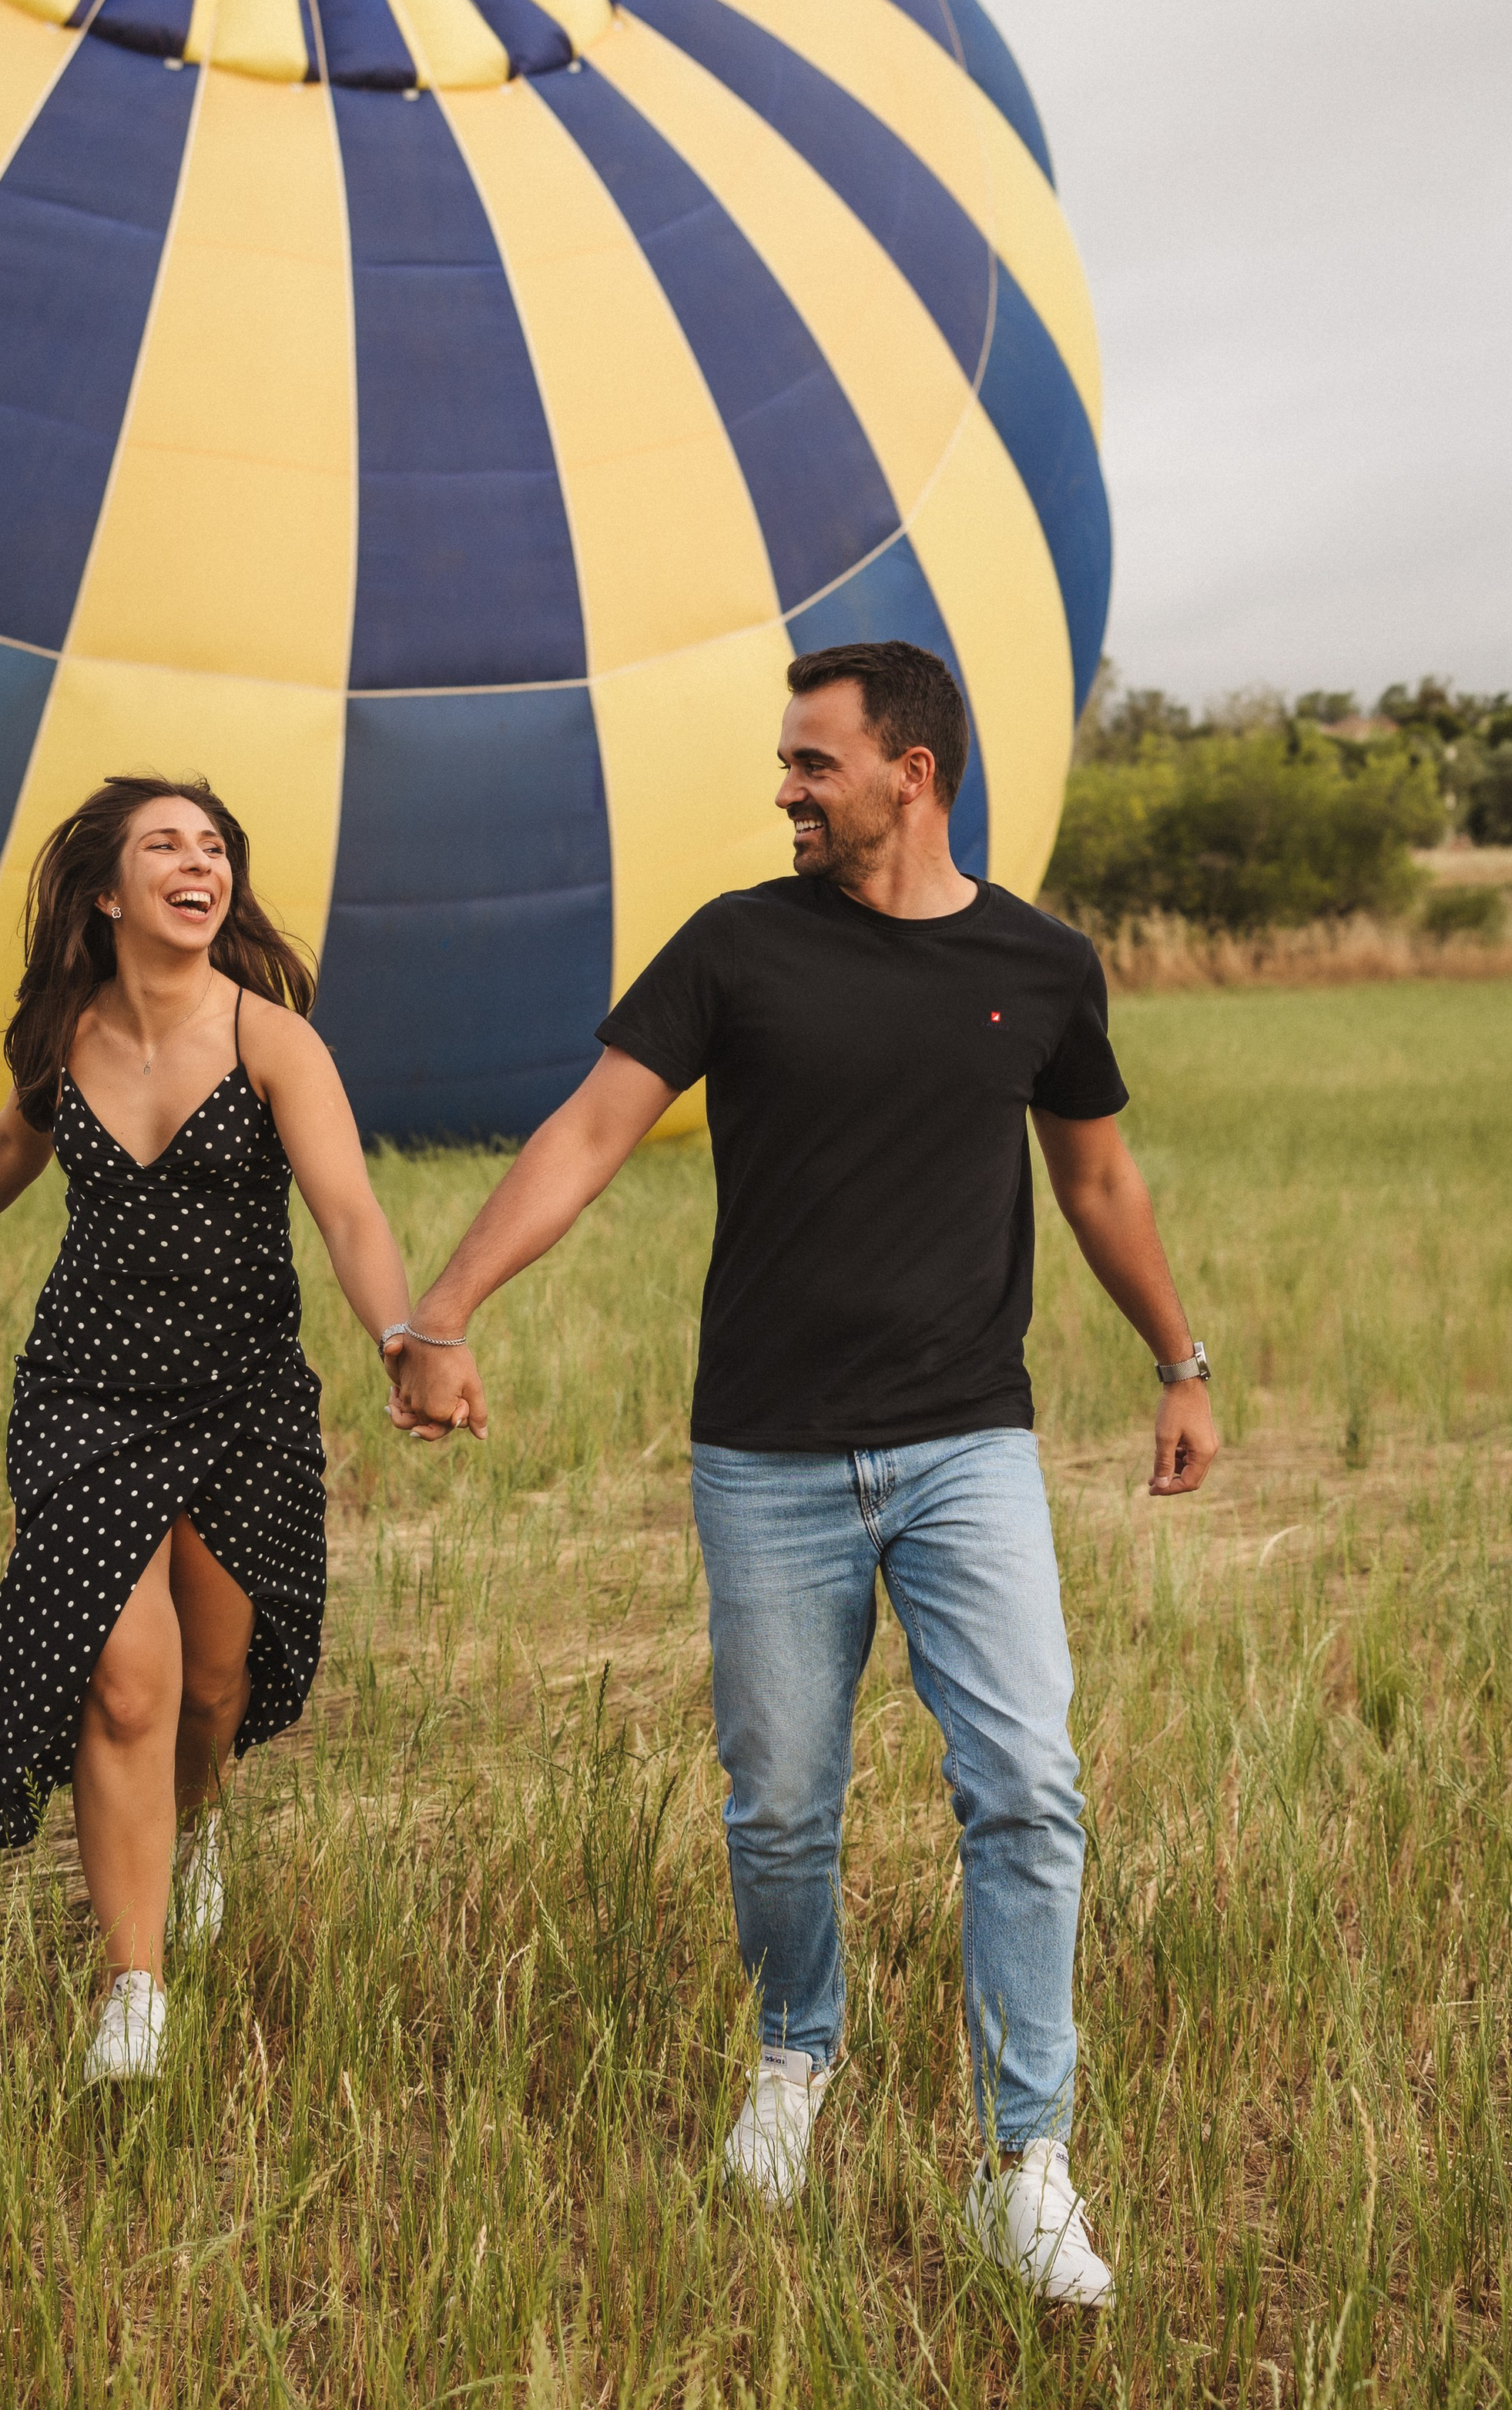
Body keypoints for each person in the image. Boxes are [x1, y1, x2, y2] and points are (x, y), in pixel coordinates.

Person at [385, 640, 1218, 2307]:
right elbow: (588, 1132)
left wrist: (1176, 1362)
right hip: (764, 1455)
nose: (784, 786)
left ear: (907, 772)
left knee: (1027, 1789)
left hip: (966, 1443)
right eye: (785, 761)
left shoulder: (1038, 965)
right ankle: (795, 2060)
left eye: (810, 763)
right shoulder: (735, 946)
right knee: (778, 1807)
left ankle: (1023, 2163)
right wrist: (445, 1305)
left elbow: (1099, 1184)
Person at [0, 775, 436, 2085]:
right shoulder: (66, 1036)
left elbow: (348, 1212)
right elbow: (14, 1143)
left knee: (212, 1690)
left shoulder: (272, 1038)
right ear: (110, 892)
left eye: (216, 845)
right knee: (125, 1683)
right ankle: (135, 1989)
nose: (200, 861)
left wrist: (400, 1337)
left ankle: (204, 1817)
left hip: (242, 1399)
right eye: (166, 844)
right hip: (87, 1394)